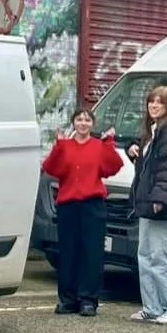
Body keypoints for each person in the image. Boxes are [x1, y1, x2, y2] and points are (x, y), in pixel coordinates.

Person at [40, 107, 122, 316]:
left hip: (92, 205)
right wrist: (58, 146)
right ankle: (67, 299)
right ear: (74, 123)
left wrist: (109, 145)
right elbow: (51, 168)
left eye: (87, 120)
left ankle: (88, 299)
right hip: (68, 205)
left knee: (91, 253)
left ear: (92, 124)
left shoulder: (98, 146)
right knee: (68, 252)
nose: (83, 123)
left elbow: (112, 167)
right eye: (79, 119)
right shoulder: (65, 146)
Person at [126, 85, 167, 325]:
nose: (154, 106)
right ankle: (152, 307)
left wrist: (159, 199)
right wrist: (133, 151)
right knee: (145, 255)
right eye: (151, 102)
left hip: (161, 206)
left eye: (159, 102)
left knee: (161, 256)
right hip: (148, 204)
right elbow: (150, 164)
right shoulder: (153, 131)